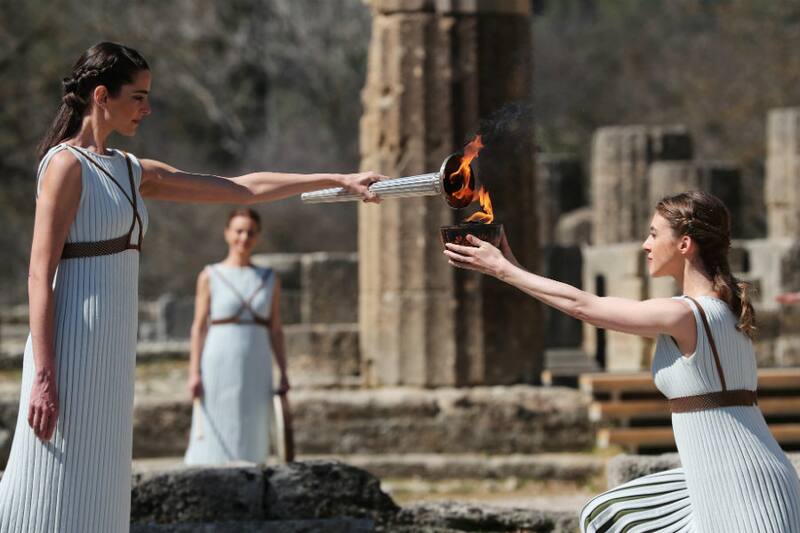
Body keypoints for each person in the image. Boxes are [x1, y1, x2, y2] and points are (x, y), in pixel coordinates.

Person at [0, 41, 384, 533]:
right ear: (102, 96)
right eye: (138, 97)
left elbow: (241, 188)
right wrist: (45, 374)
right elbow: (39, 272)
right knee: (50, 483)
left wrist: (336, 179)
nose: (147, 108)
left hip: (110, 353)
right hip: (69, 349)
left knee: (100, 486)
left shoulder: (131, 170)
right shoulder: (65, 166)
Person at [444, 190, 800, 532]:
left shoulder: (685, 314)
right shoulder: (724, 310)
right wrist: (511, 266)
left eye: (654, 234)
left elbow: (585, 307)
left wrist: (504, 271)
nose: (645, 244)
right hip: (723, 479)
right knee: (607, 515)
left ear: (684, 244)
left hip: (742, 487)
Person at [184, 208, 286, 464]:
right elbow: (199, 327)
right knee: (215, 420)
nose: (244, 238)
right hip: (219, 358)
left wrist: (284, 372)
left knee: (254, 421)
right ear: (227, 233)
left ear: (258, 236)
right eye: (239, 231)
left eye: (250, 232)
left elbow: (276, 328)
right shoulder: (210, 275)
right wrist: (194, 372)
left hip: (257, 358)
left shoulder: (269, 278)